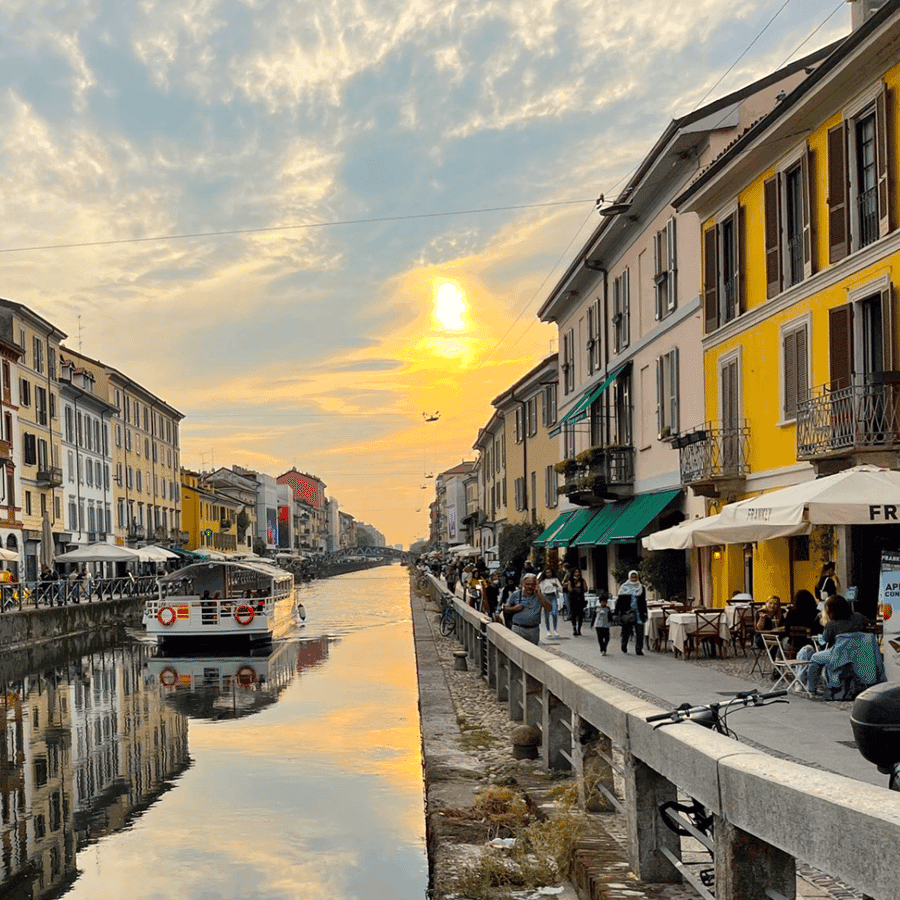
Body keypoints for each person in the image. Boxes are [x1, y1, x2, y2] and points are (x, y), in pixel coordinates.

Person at [798, 595, 870, 695]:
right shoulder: (859, 617)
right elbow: (868, 625)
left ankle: (811, 689)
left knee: (815, 658)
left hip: (840, 655)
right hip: (860, 653)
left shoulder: (832, 624)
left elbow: (825, 639)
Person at [502, 574, 551, 645]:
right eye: (527, 584)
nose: (530, 587)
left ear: (536, 585)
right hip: (518, 628)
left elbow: (548, 608)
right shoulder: (516, 594)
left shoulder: (539, 596)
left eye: (532, 584)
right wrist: (514, 608)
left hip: (533, 630)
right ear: (522, 584)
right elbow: (505, 608)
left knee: (532, 652)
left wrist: (540, 594)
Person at [616, 570, 648, 655]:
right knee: (626, 630)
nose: (634, 579)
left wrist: (645, 612)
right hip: (627, 612)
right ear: (629, 577)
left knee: (640, 631)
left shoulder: (641, 587)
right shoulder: (624, 587)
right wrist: (618, 612)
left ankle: (639, 649)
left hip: (638, 612)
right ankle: (624, 645)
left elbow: (643, 601)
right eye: (632, 577)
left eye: (635, 577)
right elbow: (619, 601)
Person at [539, 567, 564, 638]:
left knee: (554, 613)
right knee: (547, 614)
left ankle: (555, 629)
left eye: (549, 572)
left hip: (553, 596)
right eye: (547, 572)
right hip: (546, 597)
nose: (548, 574)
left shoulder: (555, 580)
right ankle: (548, 630)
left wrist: (556, 586)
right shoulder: (543, 581)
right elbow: (541, 590)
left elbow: (561, 589)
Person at [564, 568, 588, 636]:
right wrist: (574, 584)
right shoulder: (570, 580)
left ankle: (579, 629)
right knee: (573, 614)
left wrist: (583, 583)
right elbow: (570, 590)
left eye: (578, 572)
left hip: (580, 599)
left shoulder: (582, 580)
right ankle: (574, 628)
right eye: (576, 572)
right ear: (573, 573)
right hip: (573, 599)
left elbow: (586, 589)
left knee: (580, 615)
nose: (577, 573)